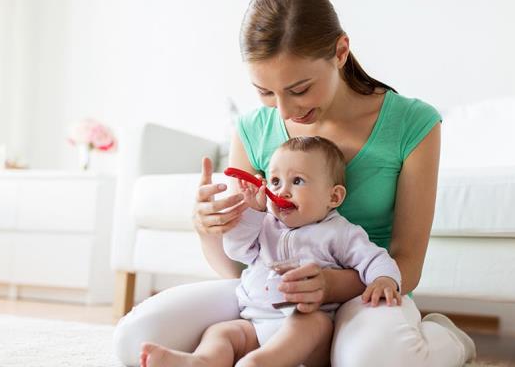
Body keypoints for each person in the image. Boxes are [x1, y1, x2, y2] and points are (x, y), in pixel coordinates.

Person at [114, 0, 476, 367]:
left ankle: (445, 340)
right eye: (265, 93)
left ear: (340, 52)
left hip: (365, 294)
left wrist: (329, 284)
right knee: (133, 341)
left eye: (299, 89)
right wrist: (209, 229)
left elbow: (408, 263)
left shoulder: (413, 123)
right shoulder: (252, 129)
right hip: (270, 295)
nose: (283, 111)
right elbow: (237, 267)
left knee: (371, 361)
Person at [139, 136, 403, 367]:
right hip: (254, 322)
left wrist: (384, 279)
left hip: (310, 328)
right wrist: (253, 212)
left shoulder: (341, 232)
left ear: (333, 197)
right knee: (221, 332)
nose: (282, 190)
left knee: (313, 325)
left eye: (297, 181)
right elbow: (237, 251)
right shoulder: (265, 224)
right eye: (275, 181)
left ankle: (258, 363)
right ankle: (201, 362)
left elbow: (374, 258)